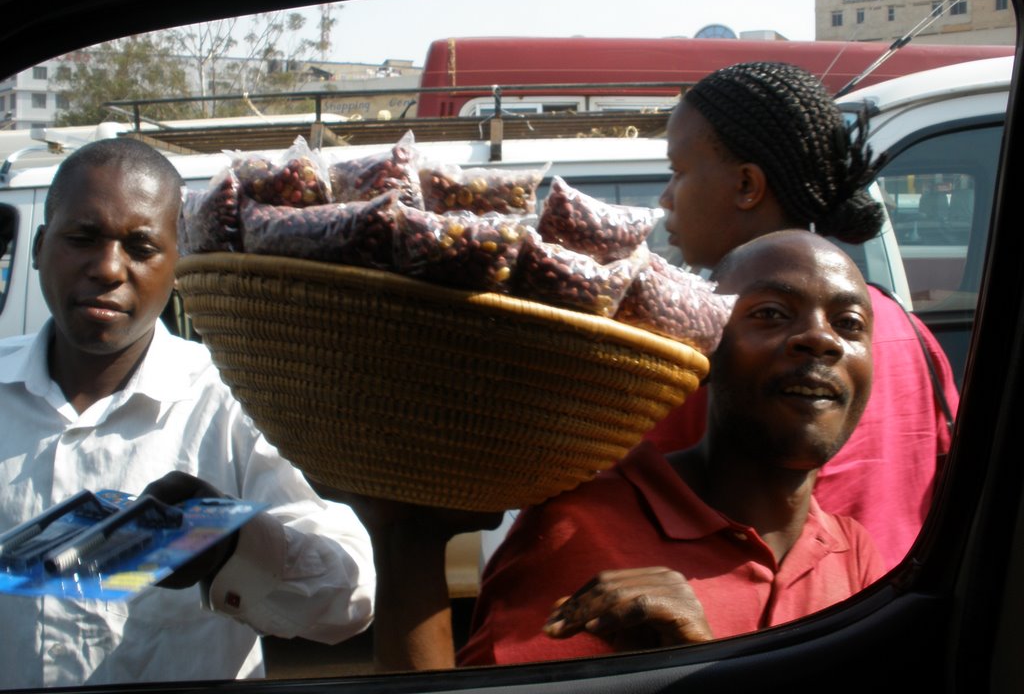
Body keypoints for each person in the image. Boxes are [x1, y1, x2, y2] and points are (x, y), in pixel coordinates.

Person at [352, 230, 884, 669]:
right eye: (771, 313)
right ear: (705, 353)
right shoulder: (581, 527)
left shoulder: (855, 558)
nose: (821, 339)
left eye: (849, 324)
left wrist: (699, 667)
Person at [0, 138, 375, 689]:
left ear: (177, 264)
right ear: (37, 247)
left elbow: (350, 597)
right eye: (82, 238)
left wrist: (234, 546)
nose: (108, 268)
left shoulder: (238, 400)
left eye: (141, 247)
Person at [645, 61, 959, 571]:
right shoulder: (908, 330)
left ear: (747, 185)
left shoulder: (699, 341)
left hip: (760, 641)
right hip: (894, 626)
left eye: (678, 172)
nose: (665, 198)